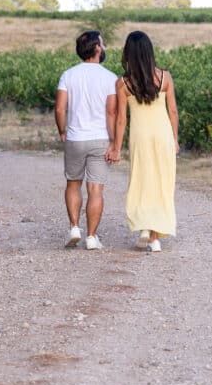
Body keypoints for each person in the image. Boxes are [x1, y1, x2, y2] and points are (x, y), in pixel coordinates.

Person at [106, 31, 179, 252]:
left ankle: (144, 228)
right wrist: (175, 140)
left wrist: (116, 147)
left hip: (140, 136)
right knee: (161, 183)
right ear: (149, 52)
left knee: (141, 180)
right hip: (163, 135)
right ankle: (155, 239)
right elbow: (173, 111)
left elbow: (121, 120)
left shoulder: (122, 83)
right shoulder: (165, 77)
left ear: (128, 53)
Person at [55, 30, 117, 250]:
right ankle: (91, 236)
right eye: (103, 43)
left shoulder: (68, 75)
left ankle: (74, 227)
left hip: (75, 137)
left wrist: (63, 130)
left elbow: (60, 108)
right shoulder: (110, 78)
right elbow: (111, 114)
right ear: (97, 48)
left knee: (73, 183)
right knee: (95, 189)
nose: (105, 46)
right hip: (100, 138)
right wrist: (114, 141)